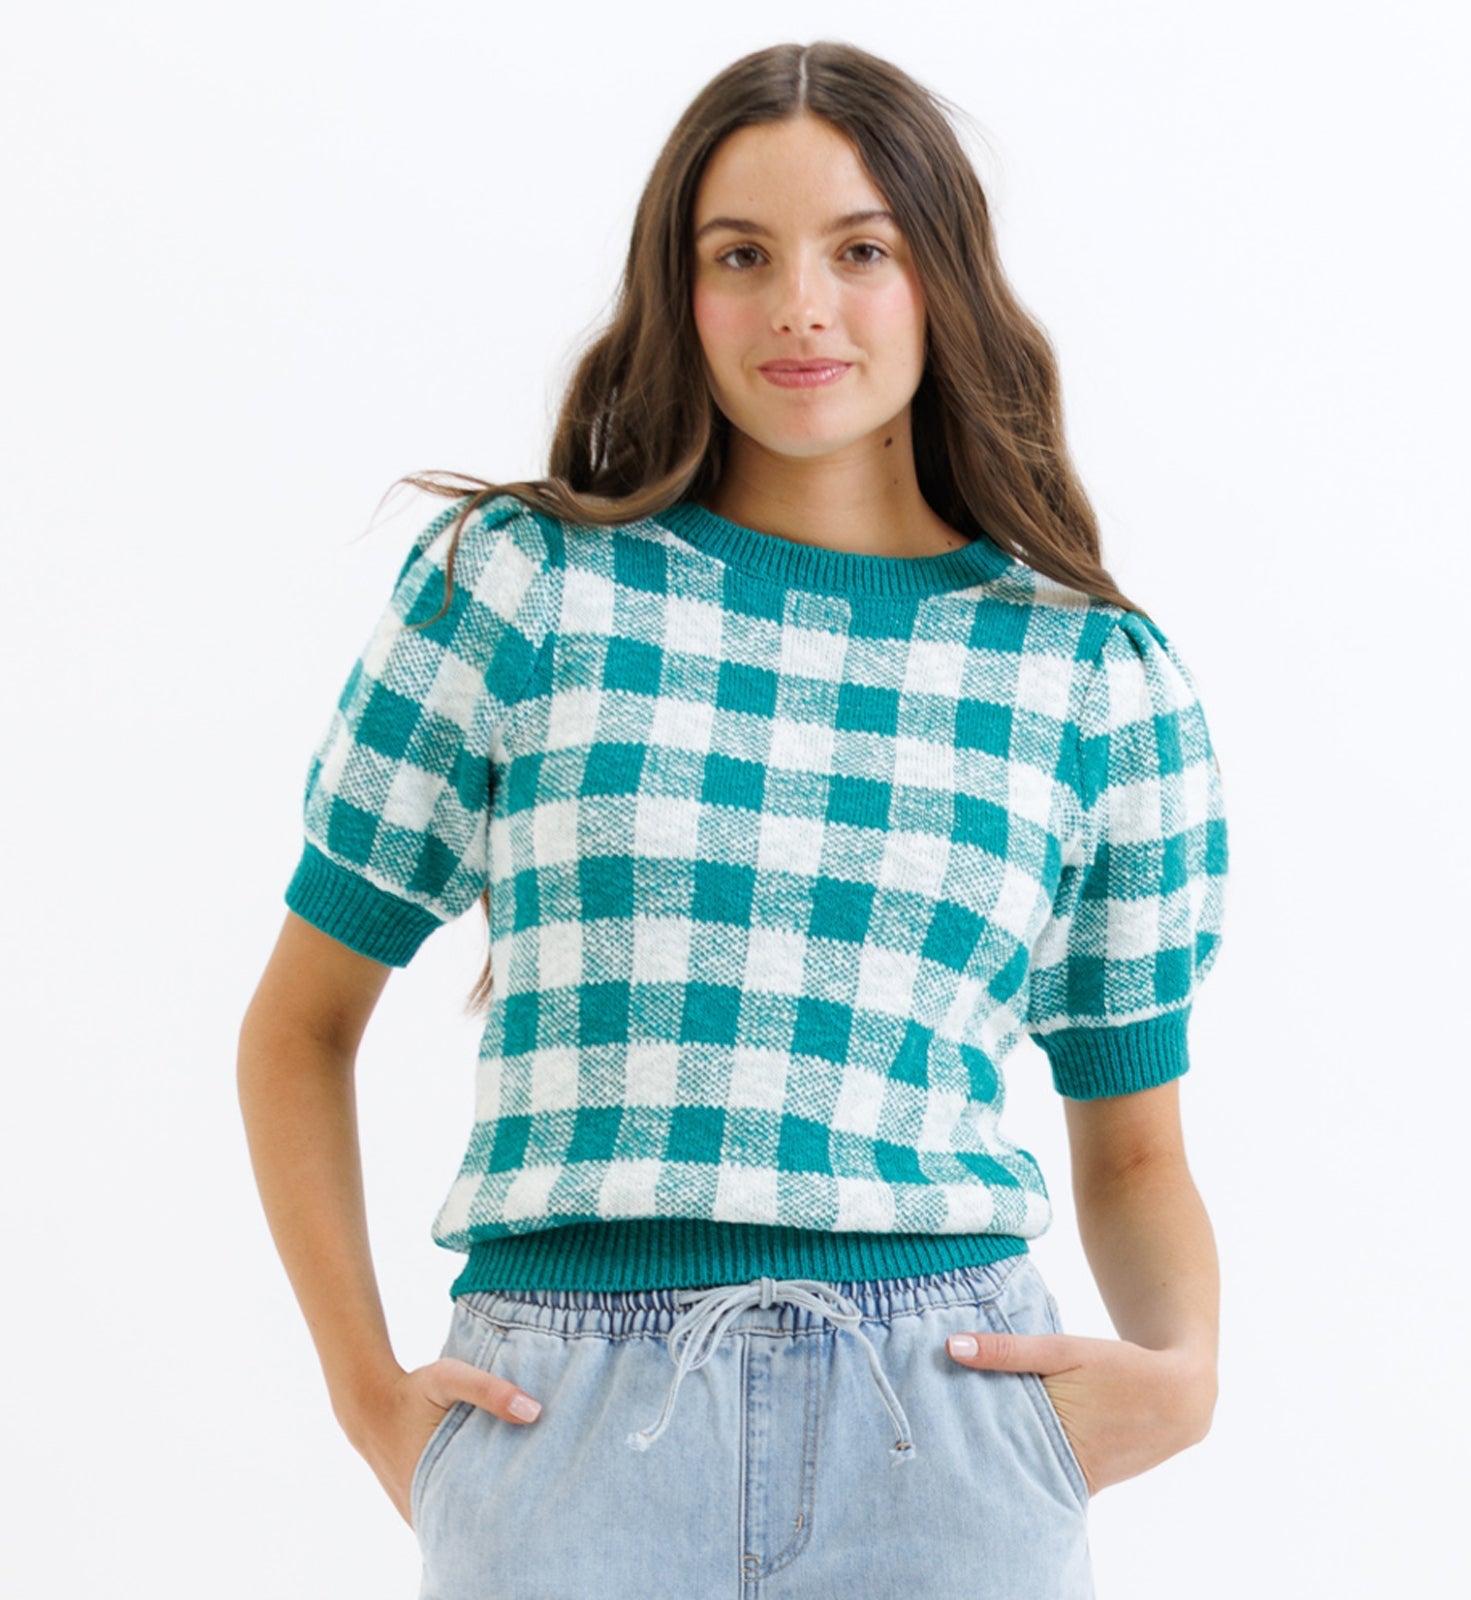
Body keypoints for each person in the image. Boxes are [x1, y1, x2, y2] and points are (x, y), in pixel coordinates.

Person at [238, 39, 1229, 1599]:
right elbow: (299, 1027)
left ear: (942, 281)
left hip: (948, 1442)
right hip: (564, 1430)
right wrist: (370, 1395)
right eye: (740, 256)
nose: (800, 309)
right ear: (675, 292)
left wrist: (1185, 1367)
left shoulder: (1091, 677)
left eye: (860, 250)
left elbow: (1135, 1152)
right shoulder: (518, 591)